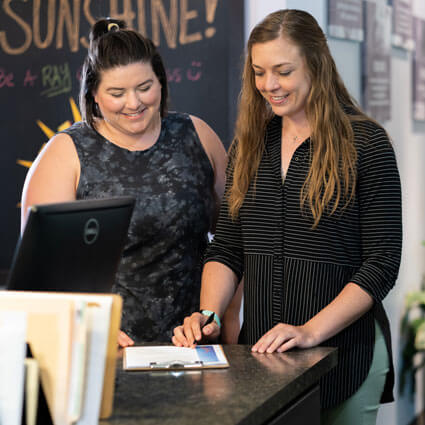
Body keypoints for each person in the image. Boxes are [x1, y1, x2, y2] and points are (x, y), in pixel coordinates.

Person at [172, 9, 402, 425]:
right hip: (266, 362)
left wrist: (310, 331)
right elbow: (226, 248)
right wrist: (207, 314)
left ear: (316, 63)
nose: (269, 85)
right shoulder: (251, 145)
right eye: (259, 72)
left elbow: (382, 262)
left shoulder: (367, 144)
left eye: (283, 71)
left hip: (346, 357)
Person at [20, 18, 227, 346]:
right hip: (102, 348)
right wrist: (86, 326)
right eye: (117, 93)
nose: (134, 103)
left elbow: (233, 243)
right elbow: (40, 277)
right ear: (94, 95)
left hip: (196, 346)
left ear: (161, 82)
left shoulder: (197, 136)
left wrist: (216, 316)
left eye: (145, 87)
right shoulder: (64, 155)